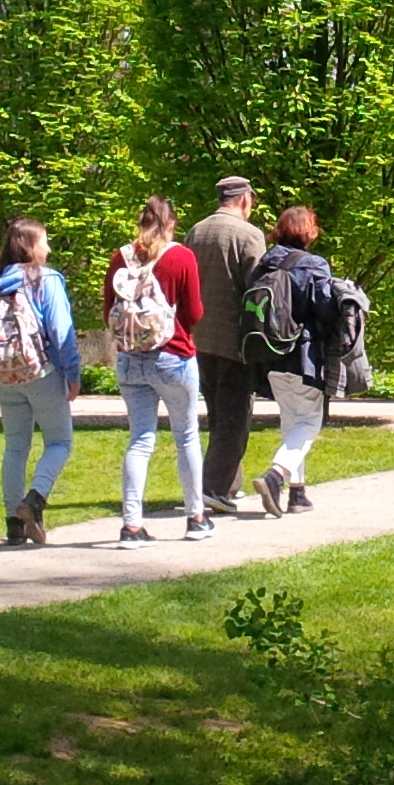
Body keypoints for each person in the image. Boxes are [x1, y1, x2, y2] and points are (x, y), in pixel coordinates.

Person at [105, 197, 212, 546]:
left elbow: (108, 311)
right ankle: (196, 518)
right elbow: (193, 314)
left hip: (130, 359)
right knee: (186, 436)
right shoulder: (182, 257)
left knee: (140, 440)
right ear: (172, 224)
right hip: (173, 356)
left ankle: (131, 526)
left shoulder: (120, 258)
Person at [0, 219, 78, 545]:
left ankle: (13, 524)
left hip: (4, 375)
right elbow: (61, 332)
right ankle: (34, 500)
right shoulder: (45, 279)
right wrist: (73, 374)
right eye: (44, 241)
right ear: (31, 246)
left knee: (15, 446)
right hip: (41, 372)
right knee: (60, 442)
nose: (48, 247)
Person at [245, 206, 340, 516]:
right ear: (309, 231)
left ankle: (297, 494)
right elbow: (326, 310)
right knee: (310, 420)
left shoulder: (264, 264)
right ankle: (276, 476)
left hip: (270, 355)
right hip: (304, 357)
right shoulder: (314, 265)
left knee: (291, 420)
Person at [185, 176, 269, 517]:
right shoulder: (250, 235)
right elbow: (259, 289)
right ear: (245, 199)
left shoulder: (196, 232)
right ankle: (214, 488)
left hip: (200, 338)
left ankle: (228, 485)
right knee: (235, 418)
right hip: (235, 340)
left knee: (217, 414)